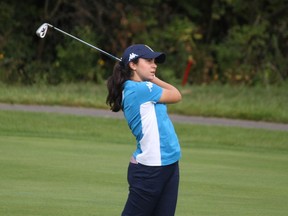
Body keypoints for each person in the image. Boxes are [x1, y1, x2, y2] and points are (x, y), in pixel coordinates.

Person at [106, 44, 182, 216]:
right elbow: (176, 94)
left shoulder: (140, 88)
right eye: (148, 61)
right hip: (150, 169)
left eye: (154, 61)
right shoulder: (141, 89)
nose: (154, 65)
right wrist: (152, 78)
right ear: (133, 65)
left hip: (168, 163)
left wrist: (148, 75)